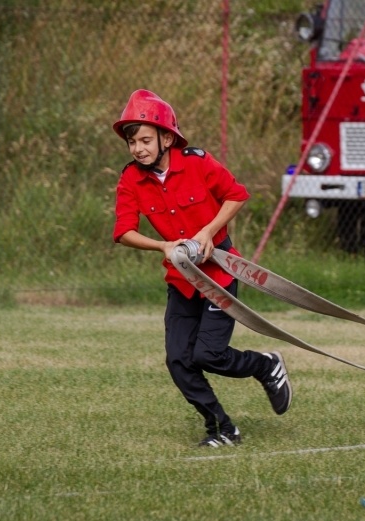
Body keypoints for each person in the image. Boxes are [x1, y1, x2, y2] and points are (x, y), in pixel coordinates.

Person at [112, 89, 292, 447]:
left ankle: (265, 366)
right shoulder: (131, 178)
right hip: (181, 281)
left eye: (146, 140)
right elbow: (123, 231)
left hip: (220, 276)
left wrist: (208, 231)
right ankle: (223, 429)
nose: (138, 149)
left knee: (208, 355)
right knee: (179, 361)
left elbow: (236, 195)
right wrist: (163, 245)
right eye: (132, 142)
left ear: (167, 138)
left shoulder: (196, 161)